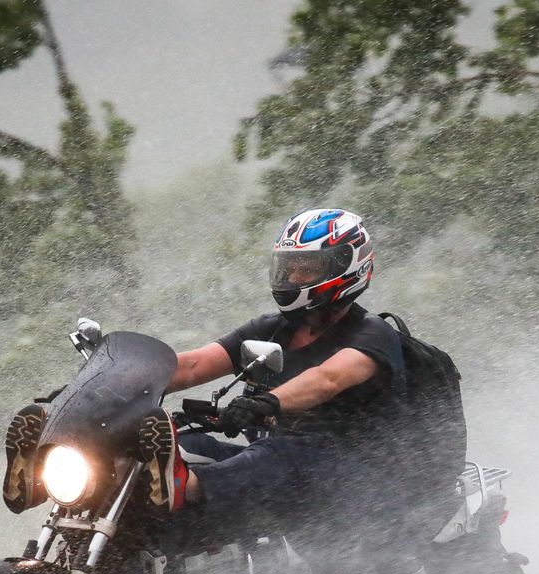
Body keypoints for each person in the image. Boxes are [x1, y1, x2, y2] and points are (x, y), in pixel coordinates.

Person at [134, 208, 409, 537]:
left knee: (284, 451)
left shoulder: (372, 333)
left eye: (307, 268)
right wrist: (114, 382)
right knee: (183, 441)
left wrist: (264, 403)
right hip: (289, 477)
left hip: (359, 488)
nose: (293, 278)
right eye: (289, 267)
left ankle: (186, 487)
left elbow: (326, 379)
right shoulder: (273, 329)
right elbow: (193, 365)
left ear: (346, 267)